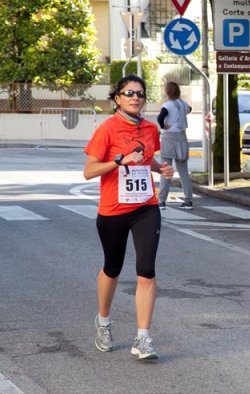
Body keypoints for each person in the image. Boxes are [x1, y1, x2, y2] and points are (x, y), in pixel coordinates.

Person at [83, 74, 174, 360]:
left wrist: (160, 169)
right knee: (112, 268)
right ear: (117, 98)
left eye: (140, 93)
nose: (136, 97)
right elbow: (89, 171)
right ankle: (103, 321)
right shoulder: (107, 130)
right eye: (129, 93)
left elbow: (146, 159)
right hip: (113, 210)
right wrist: (119, 160)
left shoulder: (149, 129)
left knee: (146, 269)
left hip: (145, 207)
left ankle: (143, 338)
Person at [157, 81, 193, 210]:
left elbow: (160, 118)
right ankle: (188, 200)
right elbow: (190, 109)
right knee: (183, 171)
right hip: (182, 138)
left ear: (166, 92)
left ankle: (161, 201)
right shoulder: (183, 104)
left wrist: (163, 126)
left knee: (166, 170)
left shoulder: (167, 105)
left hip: (168, 138)